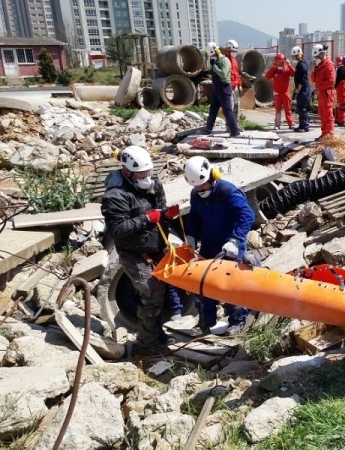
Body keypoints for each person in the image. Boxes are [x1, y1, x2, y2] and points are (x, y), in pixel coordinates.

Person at [101, 146, 181, 355]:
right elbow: (117, 229)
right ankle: (146, 345)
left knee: (163, 290)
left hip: (155, 246)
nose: (147, 177)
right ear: (127, 171)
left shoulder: (153, 185)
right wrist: (146, 218)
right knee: (151, 292)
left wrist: (166, 215)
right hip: (133, 252)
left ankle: (155, 331)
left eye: (148, 172)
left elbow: (159, 210)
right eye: (141, 174)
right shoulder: (116, 196)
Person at [183, 156, 256, 336]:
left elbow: (247, 215)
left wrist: (236, 239)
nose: (199, 189)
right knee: (203, 283)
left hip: (231, 244)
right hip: (209, 243)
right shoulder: (196, 195)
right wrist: (191, 236)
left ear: (212, 177)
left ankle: (237, 322)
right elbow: (195, 217)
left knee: (233, 285)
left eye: (202, 185)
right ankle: (205, 322)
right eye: (196, 186)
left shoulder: (228, 192)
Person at [198, 42, 241, 138]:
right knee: (213, 110)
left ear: (216, 52)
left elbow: (223, 75)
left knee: (228, 110)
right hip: (217, 90)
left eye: (212, 54)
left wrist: (215, 66)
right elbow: (213, 71)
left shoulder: (224, 61)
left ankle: (235, 131)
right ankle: (208, 129)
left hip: (224, 89)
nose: (212, 57)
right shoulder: (217, 61)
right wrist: (204, 72)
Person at [310, 43, 336, 140]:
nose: (315, 58)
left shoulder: (328, 65)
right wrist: (313, 69)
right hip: (321, 94)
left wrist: (319, 88)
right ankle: (324, 133)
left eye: (317, 56)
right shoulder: (319, 66)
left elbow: (331, 81)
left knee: (328, 115)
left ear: (321, 54)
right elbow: (313, 79)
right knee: (322, 114)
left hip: (327, 93)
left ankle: (329, 136)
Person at [265, 53, 295, 130]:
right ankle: (277, 124)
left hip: (285, 92)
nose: (279, 63)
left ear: (283, 61)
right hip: (277, 92)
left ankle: (291, 123)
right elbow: (267, 76)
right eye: (277, 61)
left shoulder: (287, 68)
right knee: (277, 109)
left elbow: (294, 73)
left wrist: (289, 65)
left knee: (287, 108)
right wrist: (273, 68)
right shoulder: (274, 69)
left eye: (280, 62)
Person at [291, 45, 311, 132]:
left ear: (298, 55)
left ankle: (305, 126)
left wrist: (298, 90)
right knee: (299, 107)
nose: (293, 58)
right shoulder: (300, 64)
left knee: (302, 108)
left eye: (294, 56)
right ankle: (301, 125)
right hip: (302, 88)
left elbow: (302, 79)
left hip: (303, 89)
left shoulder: (302, 64)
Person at [224, 39, 242, 125]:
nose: (234, 52)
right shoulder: (224, 60)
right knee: (229, 106)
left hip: (235, 86)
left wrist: (239, 84)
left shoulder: (234, 60)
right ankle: (229, 125)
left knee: (236, 106)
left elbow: (237, 73)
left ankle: (236, 124)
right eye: (233, 50)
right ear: (228, 49)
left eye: (235, 51)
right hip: (229, 87)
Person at [334, 54, 345, 127]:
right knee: (343, 105)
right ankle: (341, 121)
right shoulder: (343, 69)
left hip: (341, 90)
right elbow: (339, 80)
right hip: (343, 91)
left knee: (340, 105)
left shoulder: (340, 69)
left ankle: (338, 119)